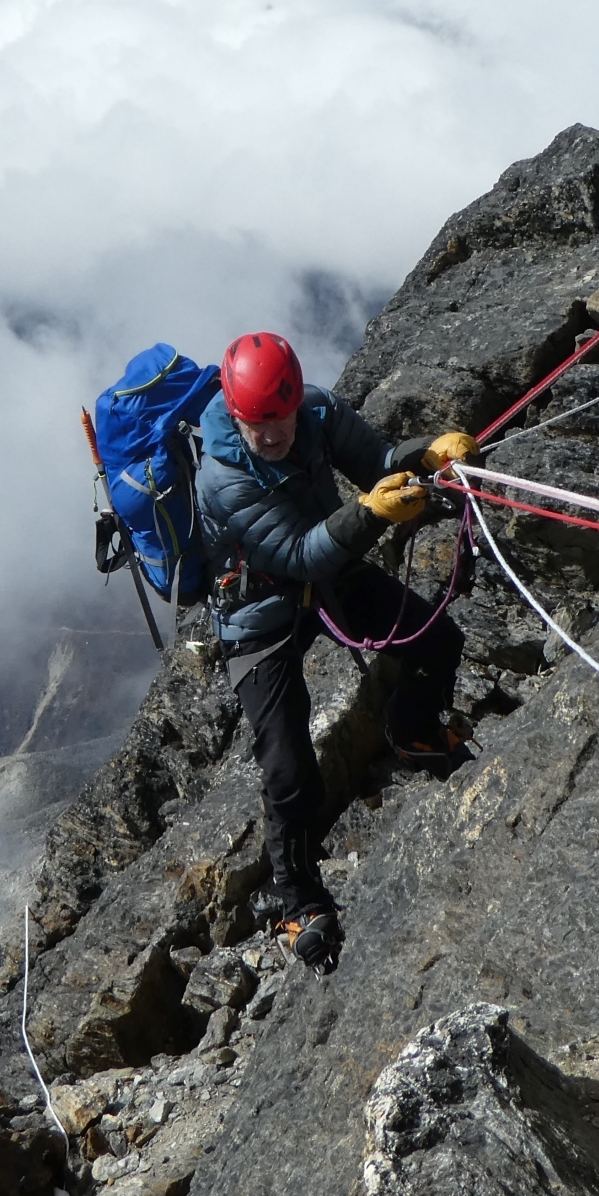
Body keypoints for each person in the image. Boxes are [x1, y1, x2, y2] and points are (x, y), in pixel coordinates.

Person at [191, 330, 478, 971]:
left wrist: (428, 455)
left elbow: (377, 459)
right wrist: (371, 516)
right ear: (235, 414)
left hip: (329, 572)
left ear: (296, 400)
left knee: (438, 638)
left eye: (279, 418)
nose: (270, 435)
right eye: (255, 423)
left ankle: (412, 732)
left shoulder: (317, 412)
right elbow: (295, 552)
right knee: (289, 767)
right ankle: (296, 900)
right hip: (258, 613)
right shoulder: (222, 477)